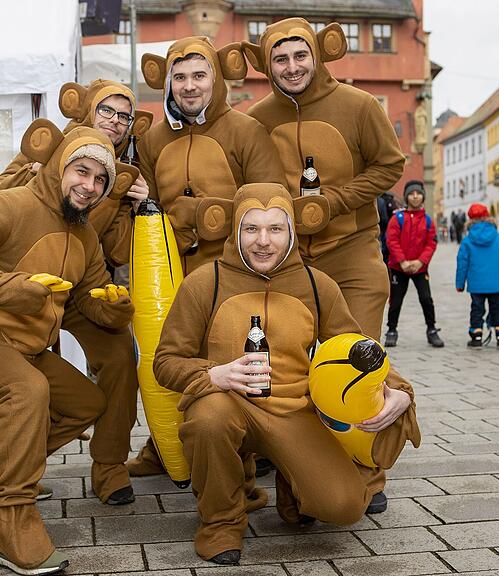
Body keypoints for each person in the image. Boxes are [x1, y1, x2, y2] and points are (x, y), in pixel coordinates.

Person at [153, 183, 419, 565]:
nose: (263, 241)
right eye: (251, 228)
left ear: (291, 232)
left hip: (294, 411)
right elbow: (165, 361)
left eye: (275, 229)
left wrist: (401, 390)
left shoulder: (316, 284)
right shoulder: (204, 282)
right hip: (228, 404)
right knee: (209, 420)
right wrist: (215, 375)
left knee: (344, 507)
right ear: (235, 231)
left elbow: (357, 348)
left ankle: (293, 486)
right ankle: (221, 523)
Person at [0, 123, 139, 574]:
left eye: (100, 180)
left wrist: (114, 310)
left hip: (24, 349)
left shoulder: (85, 237)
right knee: (27, 392)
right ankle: (5, 524)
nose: (90, 186)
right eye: (82, 171)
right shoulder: (13, 204)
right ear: (60, 166)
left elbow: (89, 298)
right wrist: (6, 288)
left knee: (86, 403)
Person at [242, 18, 406, 501]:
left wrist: (335, 201)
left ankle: (367, 472)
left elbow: (390, 165)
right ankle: (287, 450)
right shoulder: (257, 117)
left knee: (355, 365)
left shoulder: (357, 105)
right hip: (286, 264)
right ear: (267, 65)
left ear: (316, 54)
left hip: (351, 252)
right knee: (285, 364)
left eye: (299, 55)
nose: (291, 67)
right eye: (280, 58)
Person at [127, 37, 287, 479]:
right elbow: (153, 207)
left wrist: (204, 216)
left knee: (232, 358)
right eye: (180, 77)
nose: (189, 86)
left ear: (215, 78)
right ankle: (169, 445)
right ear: (169, 84)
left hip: (234, 269)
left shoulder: (245, 130)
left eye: (199, 76)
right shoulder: (154, 138)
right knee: (177, 358)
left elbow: (270, 202)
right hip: (175, 270)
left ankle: (246, 452)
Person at [384, 181, 444, 348]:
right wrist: (402, 261)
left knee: (426, 299)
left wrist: (420, 262)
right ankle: (391, 330)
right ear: (407, 197)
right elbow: (392, 240)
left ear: (423, 196)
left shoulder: (427, 220)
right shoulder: (398, 218)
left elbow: (431, 243)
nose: (415, 196)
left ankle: (431, 329)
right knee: (395, 301)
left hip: (419, 268)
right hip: (399, 268)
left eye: (418, 193)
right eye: (412, 193)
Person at [456, 203, 499, 347]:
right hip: (497, 283)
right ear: (488, 217)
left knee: (477, 310)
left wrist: (460, 284)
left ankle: (476, 337)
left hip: (476, 284)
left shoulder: (467, 241)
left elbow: (462, 263)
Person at [377, 191, 399, 263]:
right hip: (387, 228)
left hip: (381, 229)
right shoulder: (389, 199)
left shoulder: (379, 200)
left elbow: (383, 218)